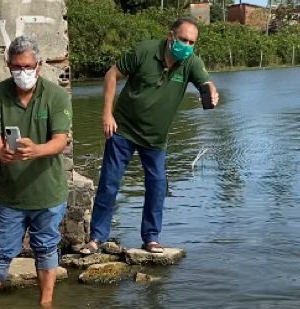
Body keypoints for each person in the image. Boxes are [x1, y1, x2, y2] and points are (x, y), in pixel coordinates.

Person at [81, 18, 219, 256]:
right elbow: (111, 75)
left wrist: (212, 91)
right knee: (109, 183)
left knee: (157, 185)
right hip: (123, 129)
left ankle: (151, 238)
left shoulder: (191, 62)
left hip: (155, 138)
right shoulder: (145, 51)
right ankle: (96, 238)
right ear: (170, 36)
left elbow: (206, 81)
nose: (186, 45)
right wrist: (107, 114)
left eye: (191, 42)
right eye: (183, 39)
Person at [0, 36, 72, 309]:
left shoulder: (56, 95)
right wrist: (0, 152)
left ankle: (46, 305)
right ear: (8, 65)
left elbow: (60, 141)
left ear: (39, 66)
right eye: (17, 67)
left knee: (46, 248)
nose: (23, 72)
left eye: (28, 66)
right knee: (1, 249)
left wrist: (36, 150)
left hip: (48, 191)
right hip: (13, 193)